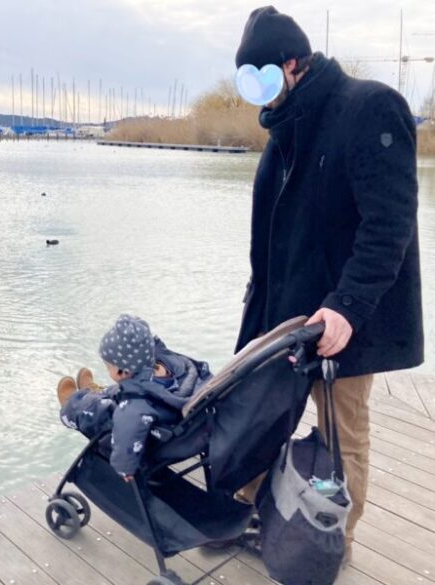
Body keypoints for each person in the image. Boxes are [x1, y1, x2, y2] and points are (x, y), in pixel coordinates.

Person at [233, 6, 424, 564]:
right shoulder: (284, 128)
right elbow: (273, 238)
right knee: (257, 416)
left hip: (343, 320)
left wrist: (346, 306)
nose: (257, 94)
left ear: (293, 64)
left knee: (342, 430)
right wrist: (256, 313)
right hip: (282, 319)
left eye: (262, 78)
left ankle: (333, 538)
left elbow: (389, 225)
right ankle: (255, 512)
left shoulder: (369, 107)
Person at [57, 314, 211, 481]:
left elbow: (126, 439)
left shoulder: (135, 408)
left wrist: (125, 469)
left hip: (152, 428)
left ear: (120, 371)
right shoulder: (176, 367)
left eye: (109, 367)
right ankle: (99, 392)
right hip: (175, 410)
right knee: (129, 386)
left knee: (100, 409)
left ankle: (74, 403)